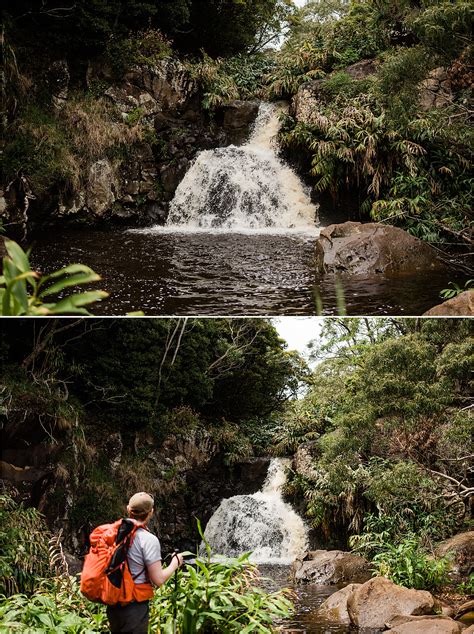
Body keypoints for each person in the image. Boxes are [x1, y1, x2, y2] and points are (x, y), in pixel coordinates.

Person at [106, 492, 184, 634]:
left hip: (113, 603)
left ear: (128, 509)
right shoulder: (148, 540)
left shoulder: (113, 533)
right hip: (134, 605)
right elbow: (158, 580)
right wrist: (175, 563)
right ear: (151, 512)